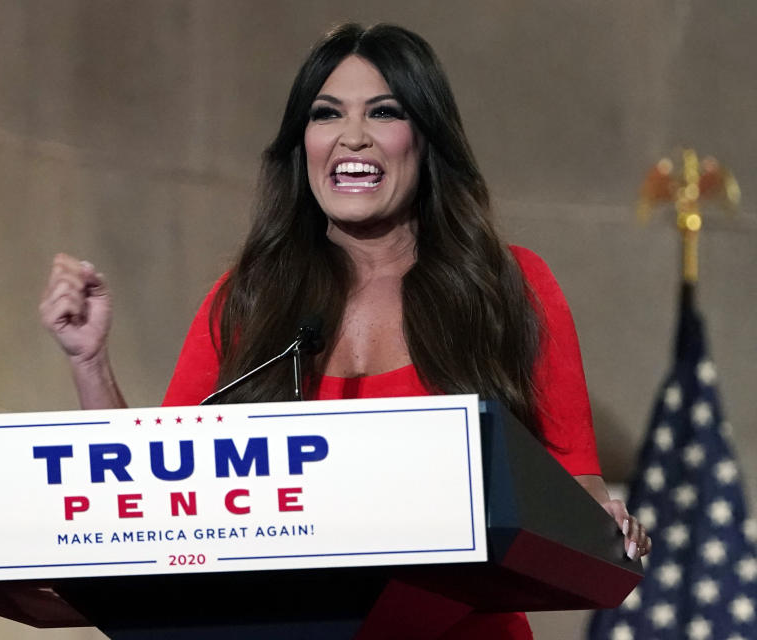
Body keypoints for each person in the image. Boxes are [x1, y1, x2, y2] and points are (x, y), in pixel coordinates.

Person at [39, 23, 649, 638]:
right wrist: (90, 362)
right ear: (302, 142)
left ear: (426, 138)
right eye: (326, 114)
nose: (351, 138)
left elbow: (578, 490)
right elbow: (151, 493)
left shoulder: (509, 286)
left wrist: (607, 525)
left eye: (383, 112)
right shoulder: (248, 299)